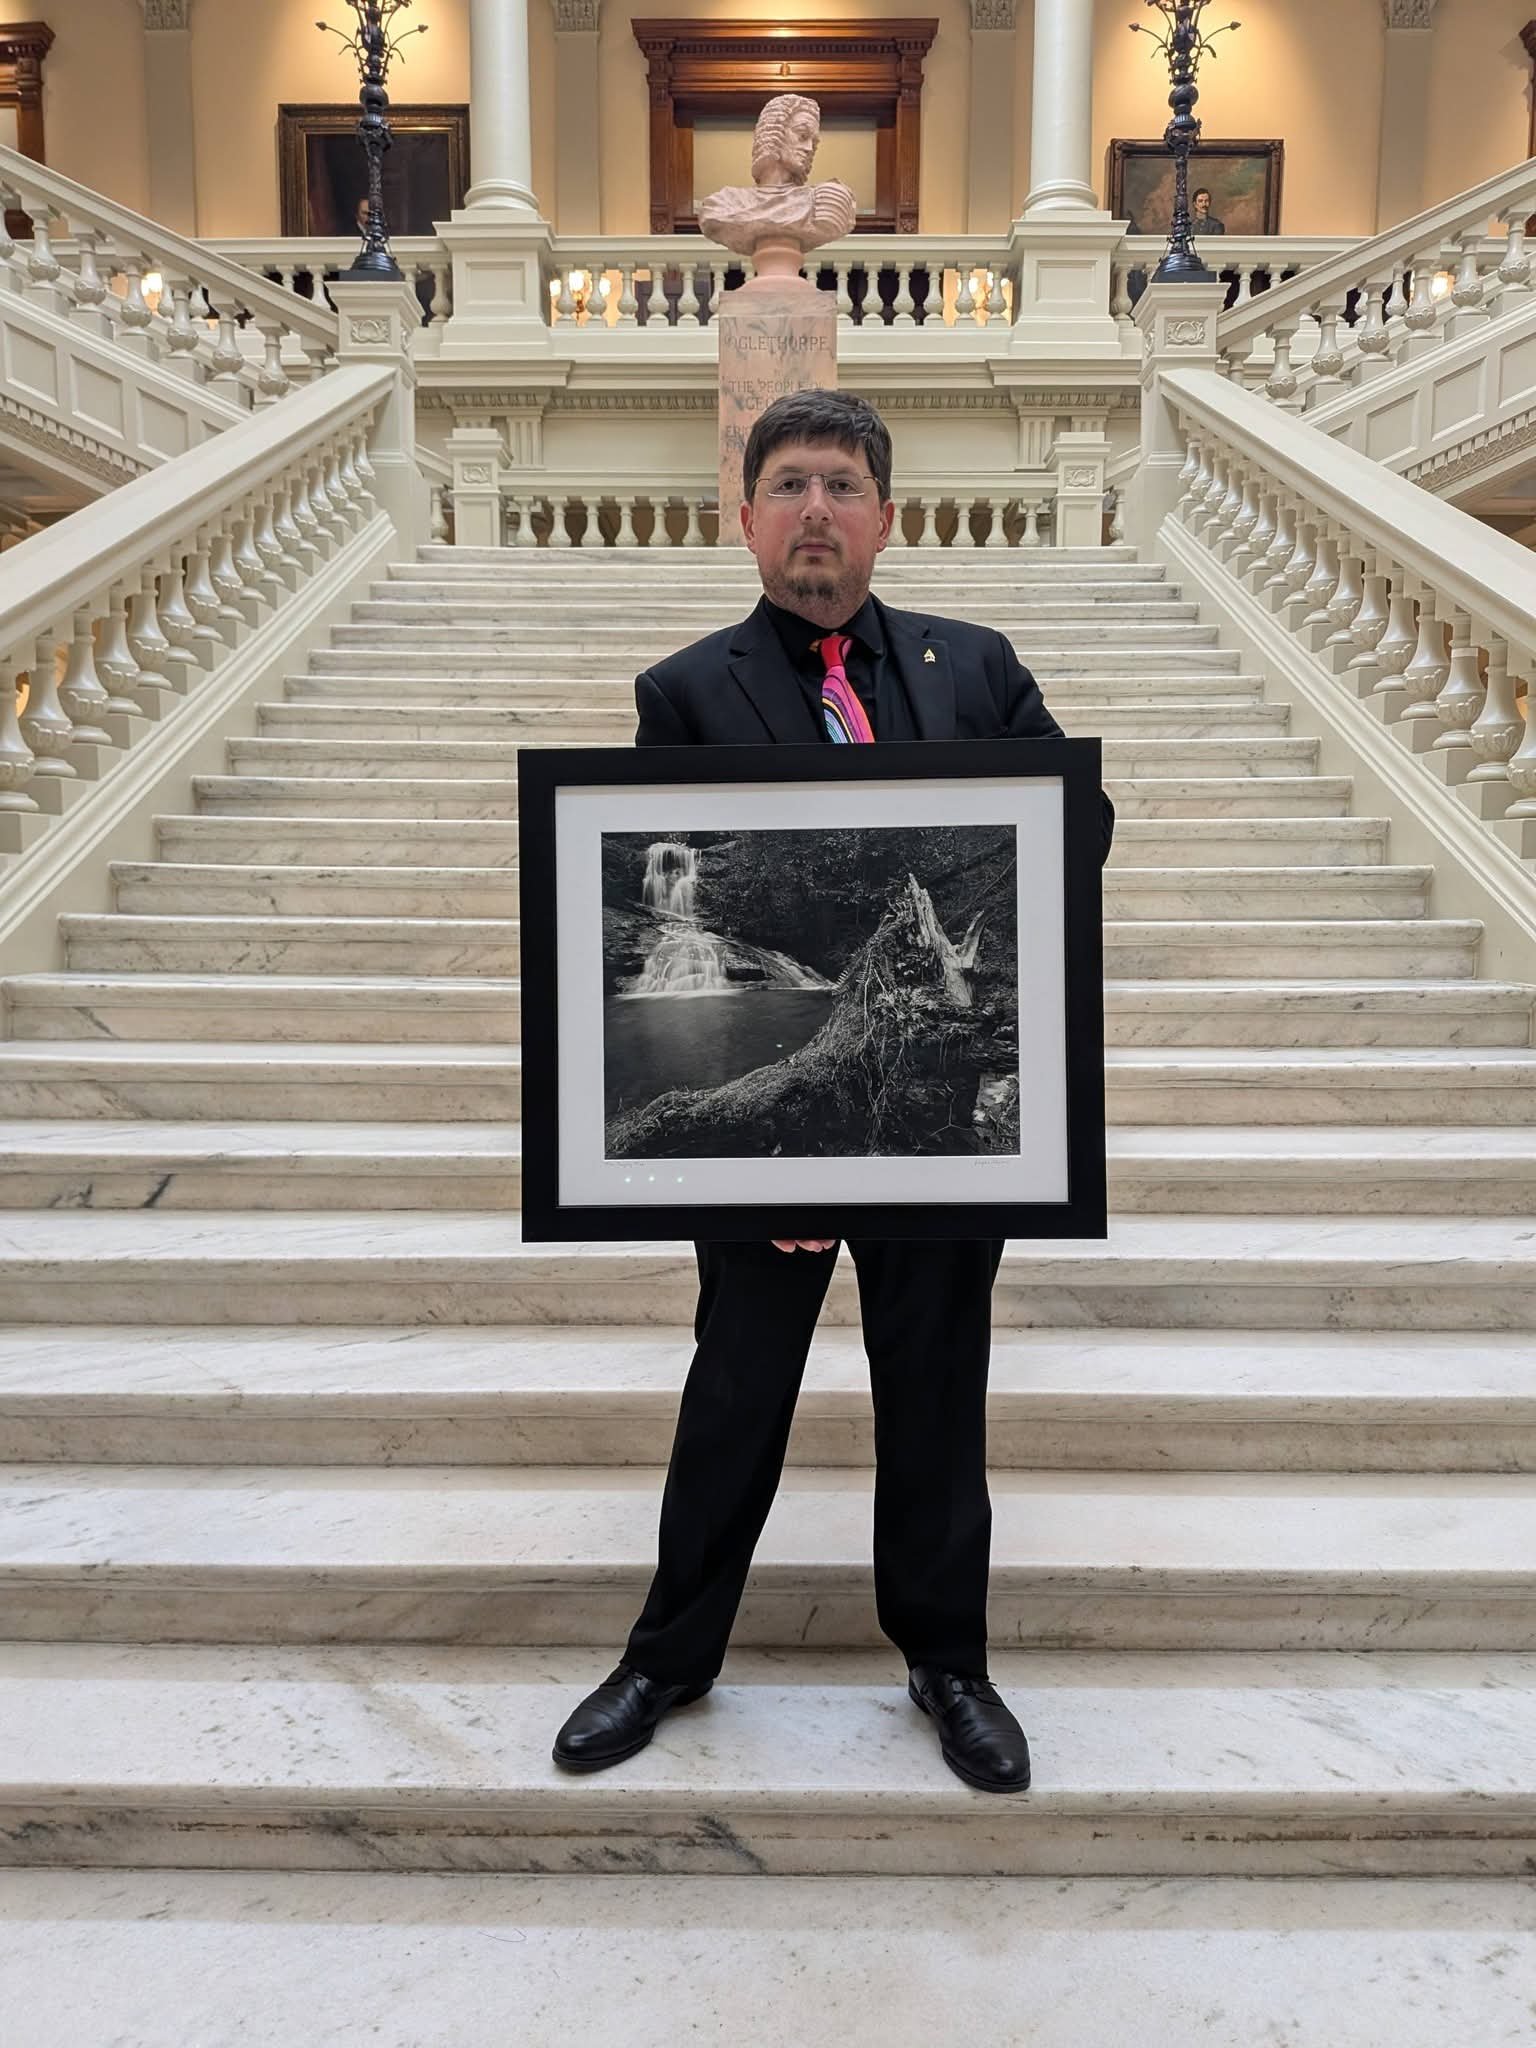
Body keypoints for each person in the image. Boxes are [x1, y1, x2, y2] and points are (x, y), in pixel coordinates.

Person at [551, 390, 1116, 1794]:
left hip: (942, 1127)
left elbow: (1078, 832)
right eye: (789, 483)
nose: (817, 508)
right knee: (736, 1391)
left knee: (938, 1393)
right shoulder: (685, 692)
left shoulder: (976, 669)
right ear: (743, 516)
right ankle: (667, 1657)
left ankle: (949, 1665)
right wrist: (778, 1158)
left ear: (886, 514)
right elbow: (635, 875)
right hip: (774, 1137)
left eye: (844, 484)